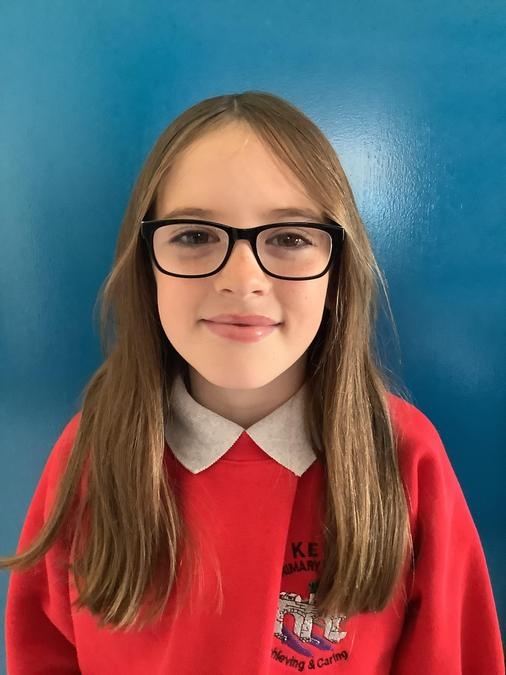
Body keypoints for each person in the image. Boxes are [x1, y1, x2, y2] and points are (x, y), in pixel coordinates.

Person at [1, 91, 503, 674]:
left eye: (289, 238)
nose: (243, 280)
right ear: (147, 264)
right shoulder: (93, 451)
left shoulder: (402, 456)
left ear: (337, 270)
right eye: (195, 236)